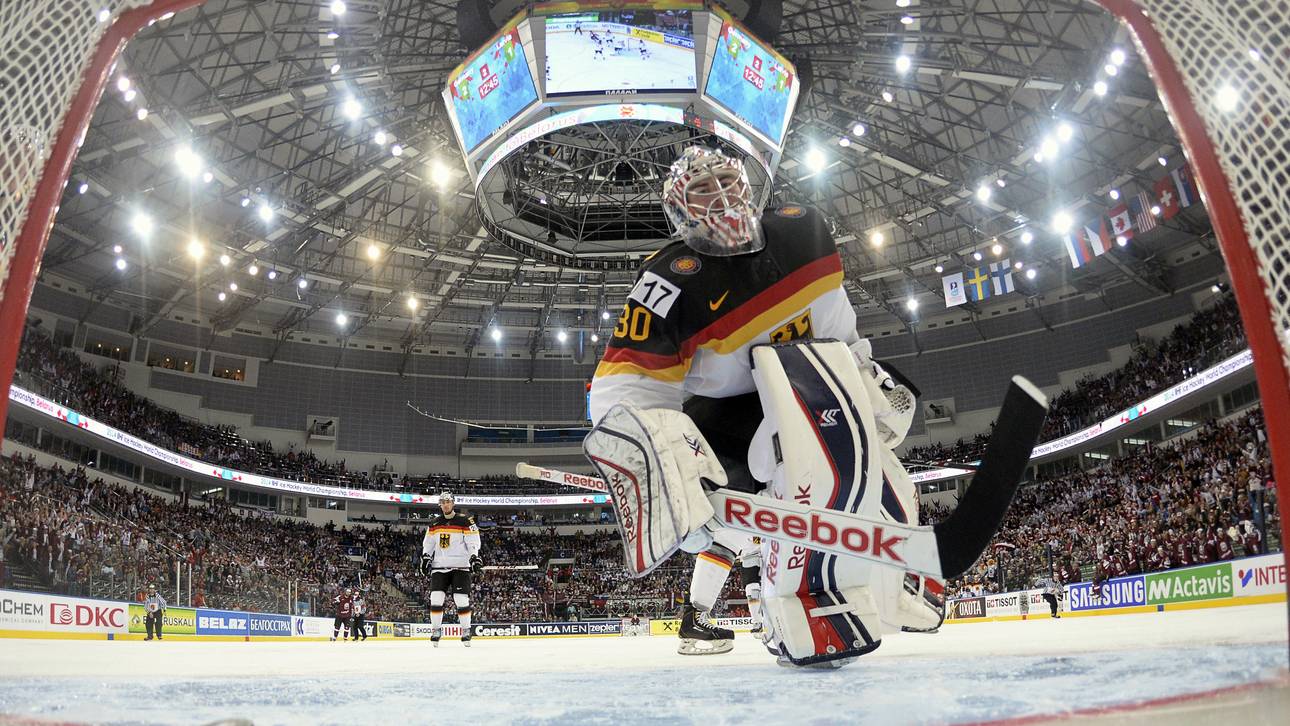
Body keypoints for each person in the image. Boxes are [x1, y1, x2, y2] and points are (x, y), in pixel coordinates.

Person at [585, 146, 936, 668]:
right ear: (680, 212)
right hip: (727, 413)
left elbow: (838, 325)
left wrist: (864, 376)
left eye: (727, 180)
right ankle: (786, 607)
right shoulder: (668, 281)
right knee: (742, 511)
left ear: (750, 183)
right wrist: (663, 461)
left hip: (812, 380)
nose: (722, 198)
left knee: (871, 469)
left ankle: (897, 573)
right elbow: (622, 391)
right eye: (702, 190)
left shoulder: (804, 231)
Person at [420, 491, 482, 647]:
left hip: (460, 566)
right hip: (439, 566)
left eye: (448, 501)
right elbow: (428, 544)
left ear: (453, 503)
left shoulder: (465, 520)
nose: (445, 504)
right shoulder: (434, 523)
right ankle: (436, 630)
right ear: (440, 504)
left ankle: (466, 630)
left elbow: (473, 541)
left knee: (461, 599)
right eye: (443, 502)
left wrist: (474, 556)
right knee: (435, 598)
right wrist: (426, 557)